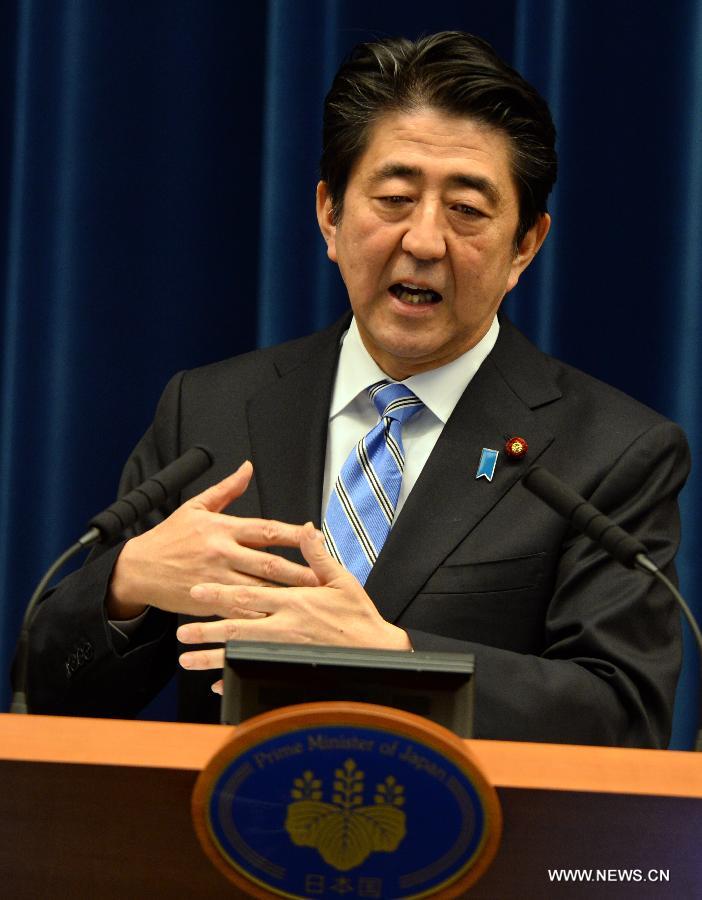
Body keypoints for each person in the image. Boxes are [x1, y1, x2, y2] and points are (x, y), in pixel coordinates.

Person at [25, 32, 689, 746]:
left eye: (467, 209)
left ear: (524, 245)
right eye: (395, 198)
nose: (425, 241)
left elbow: (627, 718)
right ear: (330, 215)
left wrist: (396, 659)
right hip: (220, 843)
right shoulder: (210, 412)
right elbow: (50, 692)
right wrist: (127, 582)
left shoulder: (610, 453)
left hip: (485, 849)